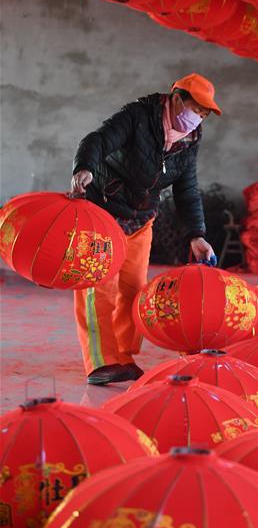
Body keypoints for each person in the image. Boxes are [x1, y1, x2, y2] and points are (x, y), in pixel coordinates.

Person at [70, 72, 221, 385]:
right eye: (196, 110)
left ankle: (123, 355)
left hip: (140, 221)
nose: (197, 119)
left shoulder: (190, 139)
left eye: (204, 114)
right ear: (177, 99)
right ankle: (100, 362)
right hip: (103, 214)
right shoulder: (138, 117)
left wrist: (197, 235)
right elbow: (97, 140)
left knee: (134, 289)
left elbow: (187, 187)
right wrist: (83, 167)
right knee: (98, 288)